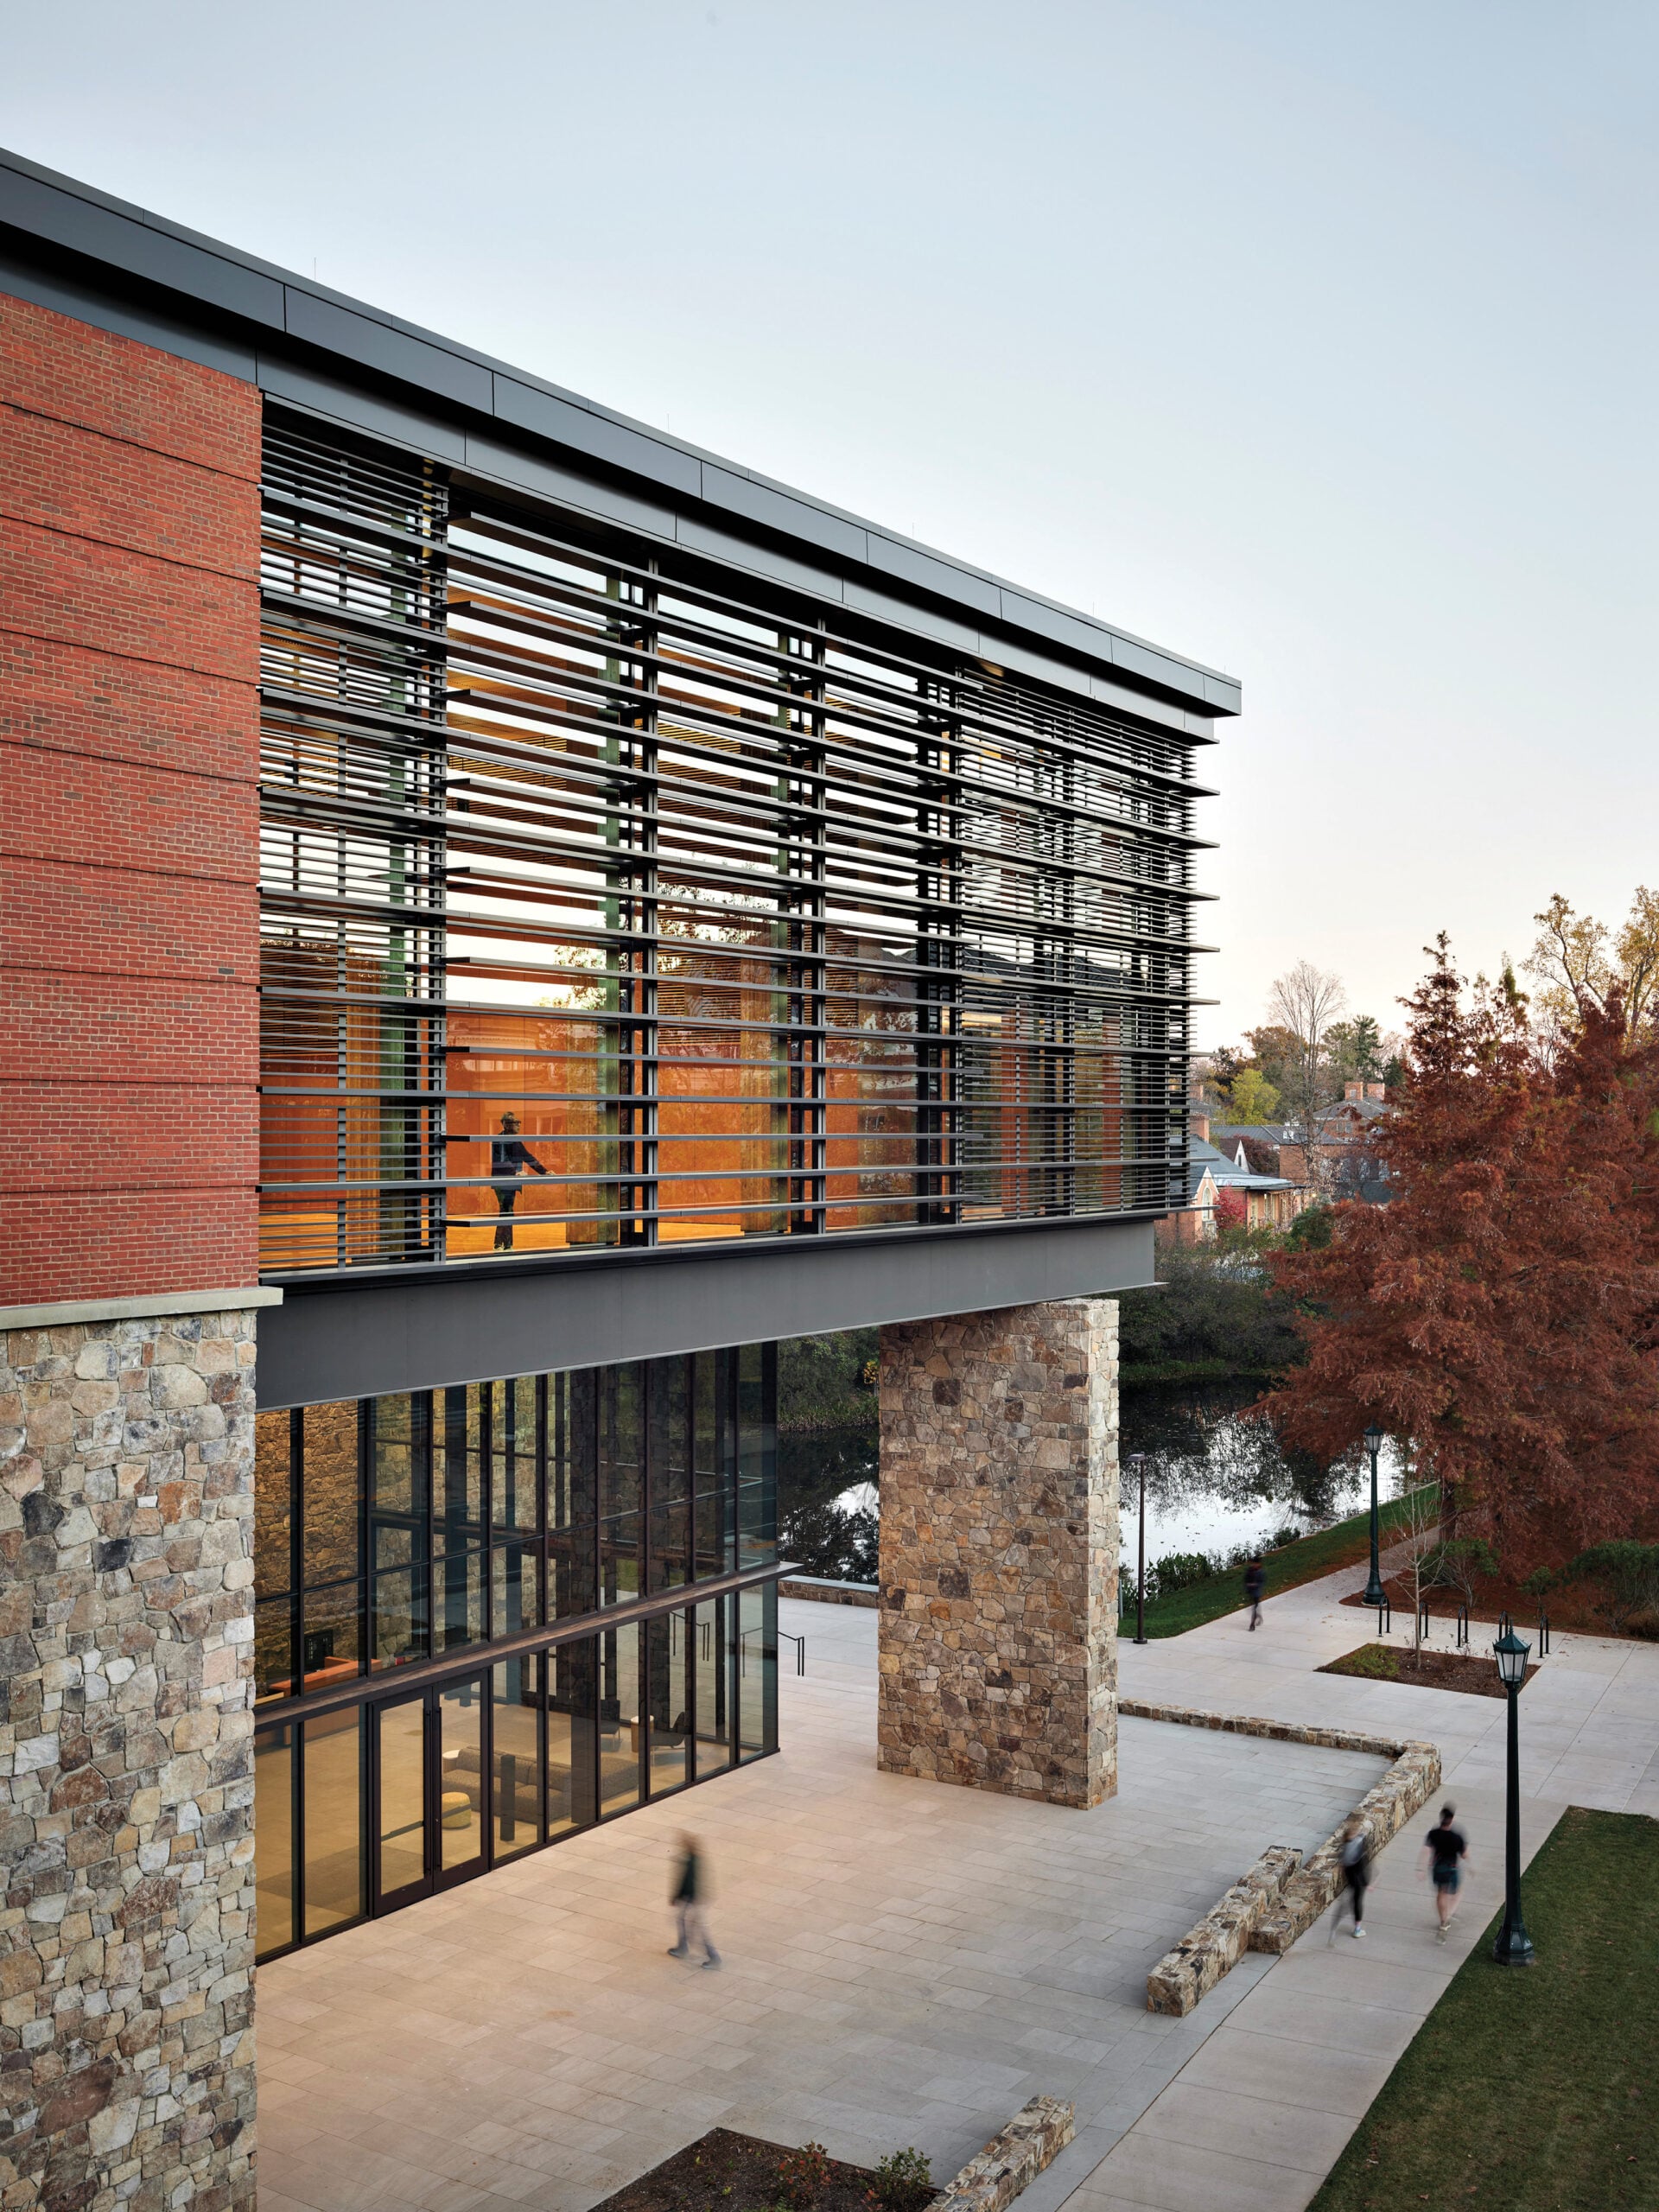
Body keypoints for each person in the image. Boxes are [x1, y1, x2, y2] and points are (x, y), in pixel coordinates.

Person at [489, 1112, 548, 1250]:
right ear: (506, 1125)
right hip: (503, 1181)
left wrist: (544, 1171)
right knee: (507, 1210)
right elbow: (502, 1161)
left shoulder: (515, 1140)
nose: (519, 1125)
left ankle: (501, 1244)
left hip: (510, 1181)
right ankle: (505, 1245)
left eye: (519, 1122)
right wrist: (515, 1172)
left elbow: (528, 1157)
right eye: (516, 1123)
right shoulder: (500, 1140)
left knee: (506, 1211)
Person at [1420, 1802, 1471, 1942]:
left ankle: (1443, 1920)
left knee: (1441, 1893)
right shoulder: (1456, 1837)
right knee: (1457, 1892)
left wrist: (1421, 1869)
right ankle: (1447, 1916)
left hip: (1437, 1867)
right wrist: (1470, 1866)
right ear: (1452, 1819)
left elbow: (1426, 1850)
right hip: (1451, 1868)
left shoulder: (1433, 1833)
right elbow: (1465, 1854)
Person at [668, 1833, 719, 1970]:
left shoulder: (690, 1861)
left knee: (696, 1930)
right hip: (695, 1898)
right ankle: (682, 1947)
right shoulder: (693, 1859)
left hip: (692, 1898)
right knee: (683, 1921)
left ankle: (713, 1957)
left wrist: (677, 1896)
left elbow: (686, 1882)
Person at [1328, 1815, 1370, 1942]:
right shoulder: (1358, 1843)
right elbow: (1364, 1863)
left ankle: (1339, 1928)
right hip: (1359, 1879)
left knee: (1352, 1902)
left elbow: (1343, 1862)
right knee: (1357, 1903)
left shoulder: (1346, 1844)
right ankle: (1357, 1929)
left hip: (1350, 1879)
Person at [1244, 1555, 1266, 1631]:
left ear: (1259, 1564)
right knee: (1251, 1608)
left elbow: (1261, 1583)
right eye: (1254, 1563)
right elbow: (1246, 1579)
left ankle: (1252, 1625)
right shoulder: (1250, 1570)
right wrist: (1248, 1585)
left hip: (1256, 1592)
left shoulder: (1261, 1572)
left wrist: (1255, 1585)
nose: (1255, 1565)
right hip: (1250, 1591)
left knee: (1254, 1608)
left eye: (1256, 1563)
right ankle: (1257, 1616)